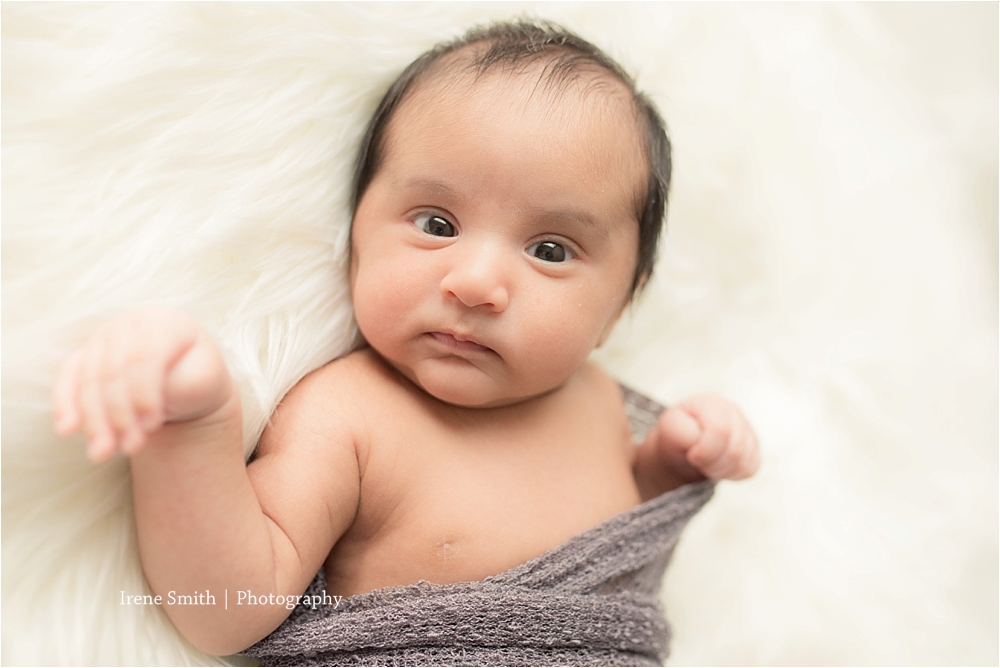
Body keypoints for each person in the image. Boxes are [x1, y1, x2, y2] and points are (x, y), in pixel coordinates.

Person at [51, 19, 759, 661]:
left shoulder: (603, 406)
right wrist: (192, 428)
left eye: (549, 248)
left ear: (619, 307)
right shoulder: (347, 414)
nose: (477, 283)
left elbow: (618, 559)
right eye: (437, 225)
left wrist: (668, 469)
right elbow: (228, 611)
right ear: (357, 234)